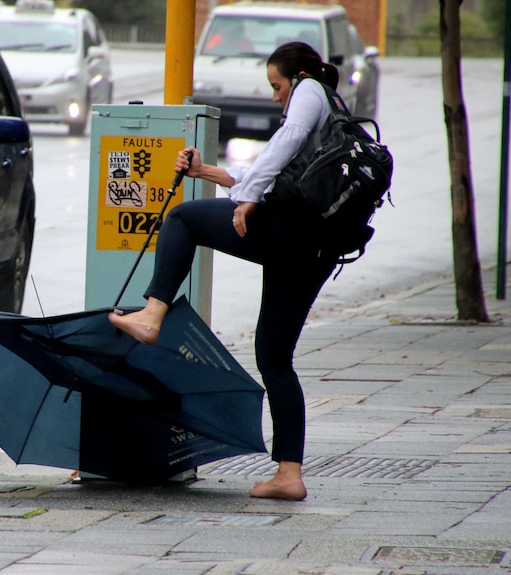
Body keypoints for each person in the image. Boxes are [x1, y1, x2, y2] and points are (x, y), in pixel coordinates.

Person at [108, 42, 341, 501]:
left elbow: (287, 141)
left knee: (183, 219)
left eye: (277, 86)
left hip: (288, 232)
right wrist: (208, 172)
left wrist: (248, 198)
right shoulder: (331, 110)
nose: (275, 96)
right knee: (274, 357)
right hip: (313, 246)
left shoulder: (310, 91)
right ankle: (289, 474)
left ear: (296, 78)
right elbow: (280, 174)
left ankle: (152, 314)